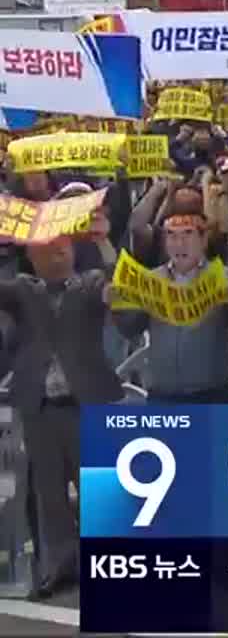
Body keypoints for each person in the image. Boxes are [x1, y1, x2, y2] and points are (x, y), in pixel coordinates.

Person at [0, 236, 119, 600]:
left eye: (62, 245)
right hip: (39, 406)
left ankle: (110, 569)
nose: (56, 251)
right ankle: (62, 569)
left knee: (97, 493)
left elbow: (124, 288)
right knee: (49, 495)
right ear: (31, 255)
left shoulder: (93, 282)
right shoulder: (23, 289)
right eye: (46, 247)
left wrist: (105, 243)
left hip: (85, 403)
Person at [112, 213, 228, 403]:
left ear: (203, 240)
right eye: (172, 235)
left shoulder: (224, 277)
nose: (179, 243)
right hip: (161, 395)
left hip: (210, 394)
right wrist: (118, 303)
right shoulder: (150, 280)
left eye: (187, 234)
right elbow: (131, 328)